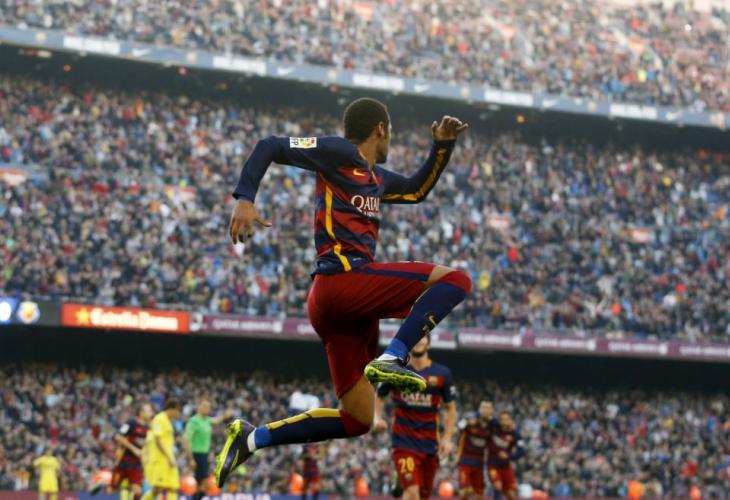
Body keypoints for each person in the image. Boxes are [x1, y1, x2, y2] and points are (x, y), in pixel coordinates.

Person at [216, 97, 471, 487]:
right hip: (343, 280)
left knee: (358, 419)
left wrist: (442, 147)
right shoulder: (339, 152)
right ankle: (395, 355)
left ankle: (253, 438)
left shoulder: (376, 178)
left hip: (339, 307)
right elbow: (270, 145)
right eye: (391, 132)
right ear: (380, 129)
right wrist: (245, 198)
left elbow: (415, 191)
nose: (391, 140)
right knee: (456, 280)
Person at [373, 336, 458, 500]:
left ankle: (400, 479)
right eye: (415, 337)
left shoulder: (442, 374)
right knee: (413, 494)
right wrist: (377, 418)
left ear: (429, 343)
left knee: (422, 495)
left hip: (430, 444)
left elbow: (451, 409)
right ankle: (403, 477)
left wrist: (447, 439)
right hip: (403, 442)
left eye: (422, 337)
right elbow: (380, 395)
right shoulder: (396, 370)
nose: (418, 340)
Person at [98, 403, 154, 500]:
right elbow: (118, 437)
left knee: (137, 490)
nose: (151, 413)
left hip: (136, 464)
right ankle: (103, 484)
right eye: (149, 411)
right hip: (123, 462)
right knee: (111, 491)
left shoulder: (147, 428)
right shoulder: (130, 424)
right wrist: (134, 449)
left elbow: (144, 444)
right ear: (141, 412)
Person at [183, 400, 232, 500]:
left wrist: (225, 416)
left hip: (204, 455)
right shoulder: (194, 421)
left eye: (209, 407)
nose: (208, 409)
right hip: (197, 454)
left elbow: (216, 420)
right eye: (205, 407)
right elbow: (186, 440)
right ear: (199, 408)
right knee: (205, 483)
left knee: (200, 484)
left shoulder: (207, 420)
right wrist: (191, 459)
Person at [146, 399, 182, 500]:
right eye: (177, 411)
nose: (178, 414)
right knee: (157, 489)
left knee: (173, 487)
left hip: (169, 459)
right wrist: (168, 456)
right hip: (160, 459)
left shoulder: (169, 422)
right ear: (172, 409)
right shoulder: (159, 419)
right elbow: (158, 439)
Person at [456, 401, 493, 499]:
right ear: (479, 409)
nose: (485, 410)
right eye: (483, 407)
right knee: (464, 492)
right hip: (466, 460)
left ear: (491, 411)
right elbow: (459, 426)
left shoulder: (493, 424)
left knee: (480, 495)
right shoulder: (470, 418)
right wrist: (467, 422)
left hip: (480, 463)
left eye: (488, 408)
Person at [486, 412, 525, 500]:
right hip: (492, 465)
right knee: (498, 485)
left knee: (511, 495)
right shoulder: (494, 428)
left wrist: (508, 456)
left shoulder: (515, 434)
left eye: (506, 419)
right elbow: (486, 417)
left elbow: (522, 451)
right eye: (502, 419)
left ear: (510, 420)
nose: (504, 422)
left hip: (505, 466)